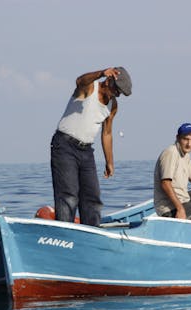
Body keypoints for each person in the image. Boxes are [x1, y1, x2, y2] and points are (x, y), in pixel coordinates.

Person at [51, 67, 132, 227]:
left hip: (86, 151)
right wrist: (101, 73)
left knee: (92, 197)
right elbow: (79, 81)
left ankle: (91, 232)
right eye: (116, 90)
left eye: (120, 93)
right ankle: (65, 232)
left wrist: (110, 161)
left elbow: (107, 133)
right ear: (108, 80)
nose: (117, 95)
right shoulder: (90, 88)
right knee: (69, 196)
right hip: (65, 146)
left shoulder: (113, 106)